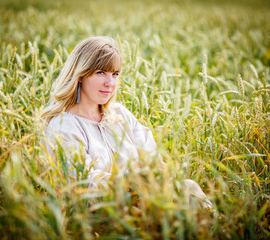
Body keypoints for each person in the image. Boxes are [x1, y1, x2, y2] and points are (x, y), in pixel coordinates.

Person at [41, 36, 213, 209]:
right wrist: (133, 184)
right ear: (80, 75)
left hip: (145, 200)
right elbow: (84, 184)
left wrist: (158, 180)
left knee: (189, 186)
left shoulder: (119, 114)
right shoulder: (63, 126)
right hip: (105, 212)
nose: (110, 83)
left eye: (115, 74)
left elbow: (153, 159)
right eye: (100, 72)